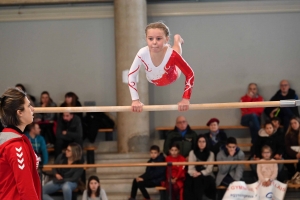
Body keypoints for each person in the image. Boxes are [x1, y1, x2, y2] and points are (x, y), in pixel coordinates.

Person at [128, 21, 194, 112]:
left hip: (172, 75)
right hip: (152, 79)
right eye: (150, 39)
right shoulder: (142, 53)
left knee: (176, 52)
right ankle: (170, 44)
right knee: (173, 54)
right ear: (146, 39)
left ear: (166, 39)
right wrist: (135, 100)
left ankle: (177, 40)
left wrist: (186, 99)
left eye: (159, 39)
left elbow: (190, 73)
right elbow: (131, 75)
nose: (154, 42)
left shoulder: (172, 55)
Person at [0, 88, 41, 200]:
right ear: (19, 112)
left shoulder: (15, 139)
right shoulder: (15, 146)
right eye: (28, 106)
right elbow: (25, 187)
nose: (32, 109)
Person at [184, 135, 216, 200]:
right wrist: (194, 173)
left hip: (206, 174)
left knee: (204, 181)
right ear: (197, 143)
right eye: (200, 141)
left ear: (206, 143)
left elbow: (209, 169)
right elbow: (190, 168)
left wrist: (200, 173)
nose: (201, 144)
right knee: (189, 182)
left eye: (203, 142)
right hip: (194, 173)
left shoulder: (211, 153)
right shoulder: (192, 152)